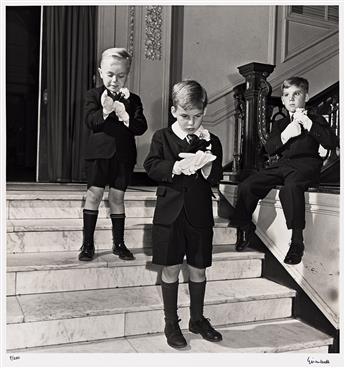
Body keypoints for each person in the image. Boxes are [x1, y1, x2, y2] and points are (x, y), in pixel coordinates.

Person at [144, 80, 223, 349]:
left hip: (199, 214)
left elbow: (218, 177)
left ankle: (198, 319)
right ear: (173, 110)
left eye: (197, 116)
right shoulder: (162, 137)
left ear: (204, 112)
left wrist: (206, 165)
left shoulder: (211, 140)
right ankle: (171, 322)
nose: (191, 122)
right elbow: (151, 166)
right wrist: (176, 167)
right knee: (172, 267)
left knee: (199, 269)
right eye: (184, 116)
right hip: (169, 214)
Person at [232, 76, 338, 265]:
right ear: (282, 100)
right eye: (286, 95)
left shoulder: (317, 119)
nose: (291, 99)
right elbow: (269, 148)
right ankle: (245, 226)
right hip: (282, 166)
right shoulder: (280, 124)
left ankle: (297, 242)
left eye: (296, 94)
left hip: (307, 165)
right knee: (249, 184)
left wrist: (309, 125)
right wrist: (286, 134)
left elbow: (331, 142)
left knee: (291, 189)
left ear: (306, 96)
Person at [79, 47, 147, 262]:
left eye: (120, 76)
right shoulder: (93, 95)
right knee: (94, 195)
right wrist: (106, 110)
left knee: (117, 198)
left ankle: (119, 244)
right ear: (101, 72)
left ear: (127, 75)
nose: (115, 80)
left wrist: (126, 116)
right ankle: (87, 245)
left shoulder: (133, 99)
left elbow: (140, 127)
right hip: (98, 155)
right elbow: (91, 121)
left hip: (123, 156)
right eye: (110, 74)